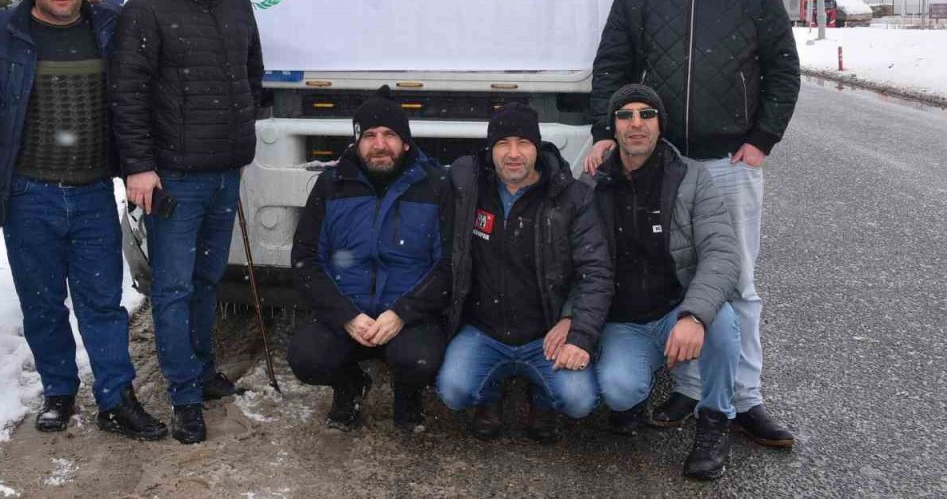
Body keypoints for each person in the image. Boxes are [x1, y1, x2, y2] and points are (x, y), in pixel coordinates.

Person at [586, 0, 801, 447]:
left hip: (730, 160)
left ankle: (746, 399)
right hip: (660, 163)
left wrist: (763, 140)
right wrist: (607, 133)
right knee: (675, 273)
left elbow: (783, 70)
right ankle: (690, 388)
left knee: (740, 281)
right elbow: (610, 68)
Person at [0, 0, 164, 441]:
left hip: (90, 194)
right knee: (42, 303)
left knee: (102, 303)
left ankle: (115, 398)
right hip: (28, 193)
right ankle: (58, 392)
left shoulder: (111, 27)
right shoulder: (3, 31)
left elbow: (164, 13)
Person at [110, 0, 265, 444]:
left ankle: (201, 371)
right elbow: (126, 95)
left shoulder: (239, 4)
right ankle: (183, 396)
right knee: (173, 289)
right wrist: (139, 167)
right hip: (173, 179)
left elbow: (253, 75)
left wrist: (237, 132)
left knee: (207, 281)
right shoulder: (146, 11)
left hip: (225, 172)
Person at [588, 84, 741, 480]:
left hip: (676, 308)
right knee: (620, 391)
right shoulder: (591, 184)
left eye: (646, 114)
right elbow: (572, 262)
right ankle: (638, 388)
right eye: (625, 115)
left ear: (660, 124)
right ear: (613, 127)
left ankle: (715, 421)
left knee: (721, 323)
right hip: (624, 320)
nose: (636, 123)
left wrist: (694, 315)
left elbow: (723, 254)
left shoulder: (692, 177)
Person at [436, 104, 612, 443]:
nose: (513, 154)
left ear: (538, 147)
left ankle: (542, 398)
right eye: (503, 143)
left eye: (523, 143)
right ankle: (490, 394)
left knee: (579, 401)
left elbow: (596, 271)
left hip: (545, 334)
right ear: (490, 150)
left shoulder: (572, 198)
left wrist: (574, 323)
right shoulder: (470, 187)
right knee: (453, 391)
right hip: (483, 330)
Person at [287, 87, 452, 433]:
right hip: (349, 310)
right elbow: (305, 260)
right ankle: (350, 386)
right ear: (356, 142)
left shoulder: (436, 185)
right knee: (307, 358)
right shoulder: (332, 185)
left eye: (390, 135)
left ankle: (408, 392)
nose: (380, 144)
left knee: (420, 361)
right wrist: (346, 315)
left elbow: (448, 265)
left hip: (409, 315)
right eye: (370, 135)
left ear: (406, 142)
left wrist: (402, 313)